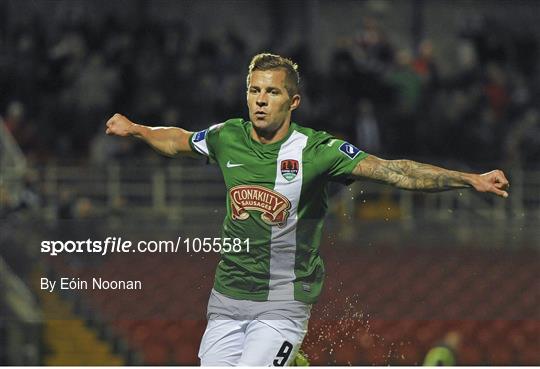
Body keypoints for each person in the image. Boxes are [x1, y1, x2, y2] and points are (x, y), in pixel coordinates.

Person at [105, 53, 509, 366]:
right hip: (227, 298)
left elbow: (394, 171)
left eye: (272, 92)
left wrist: (469, 179)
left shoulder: (318, 151)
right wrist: (138, 129)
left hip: (284, 301)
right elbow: (177, 140)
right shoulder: (226, 137)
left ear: (293, 101)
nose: (260, 100)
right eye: (254, 90)